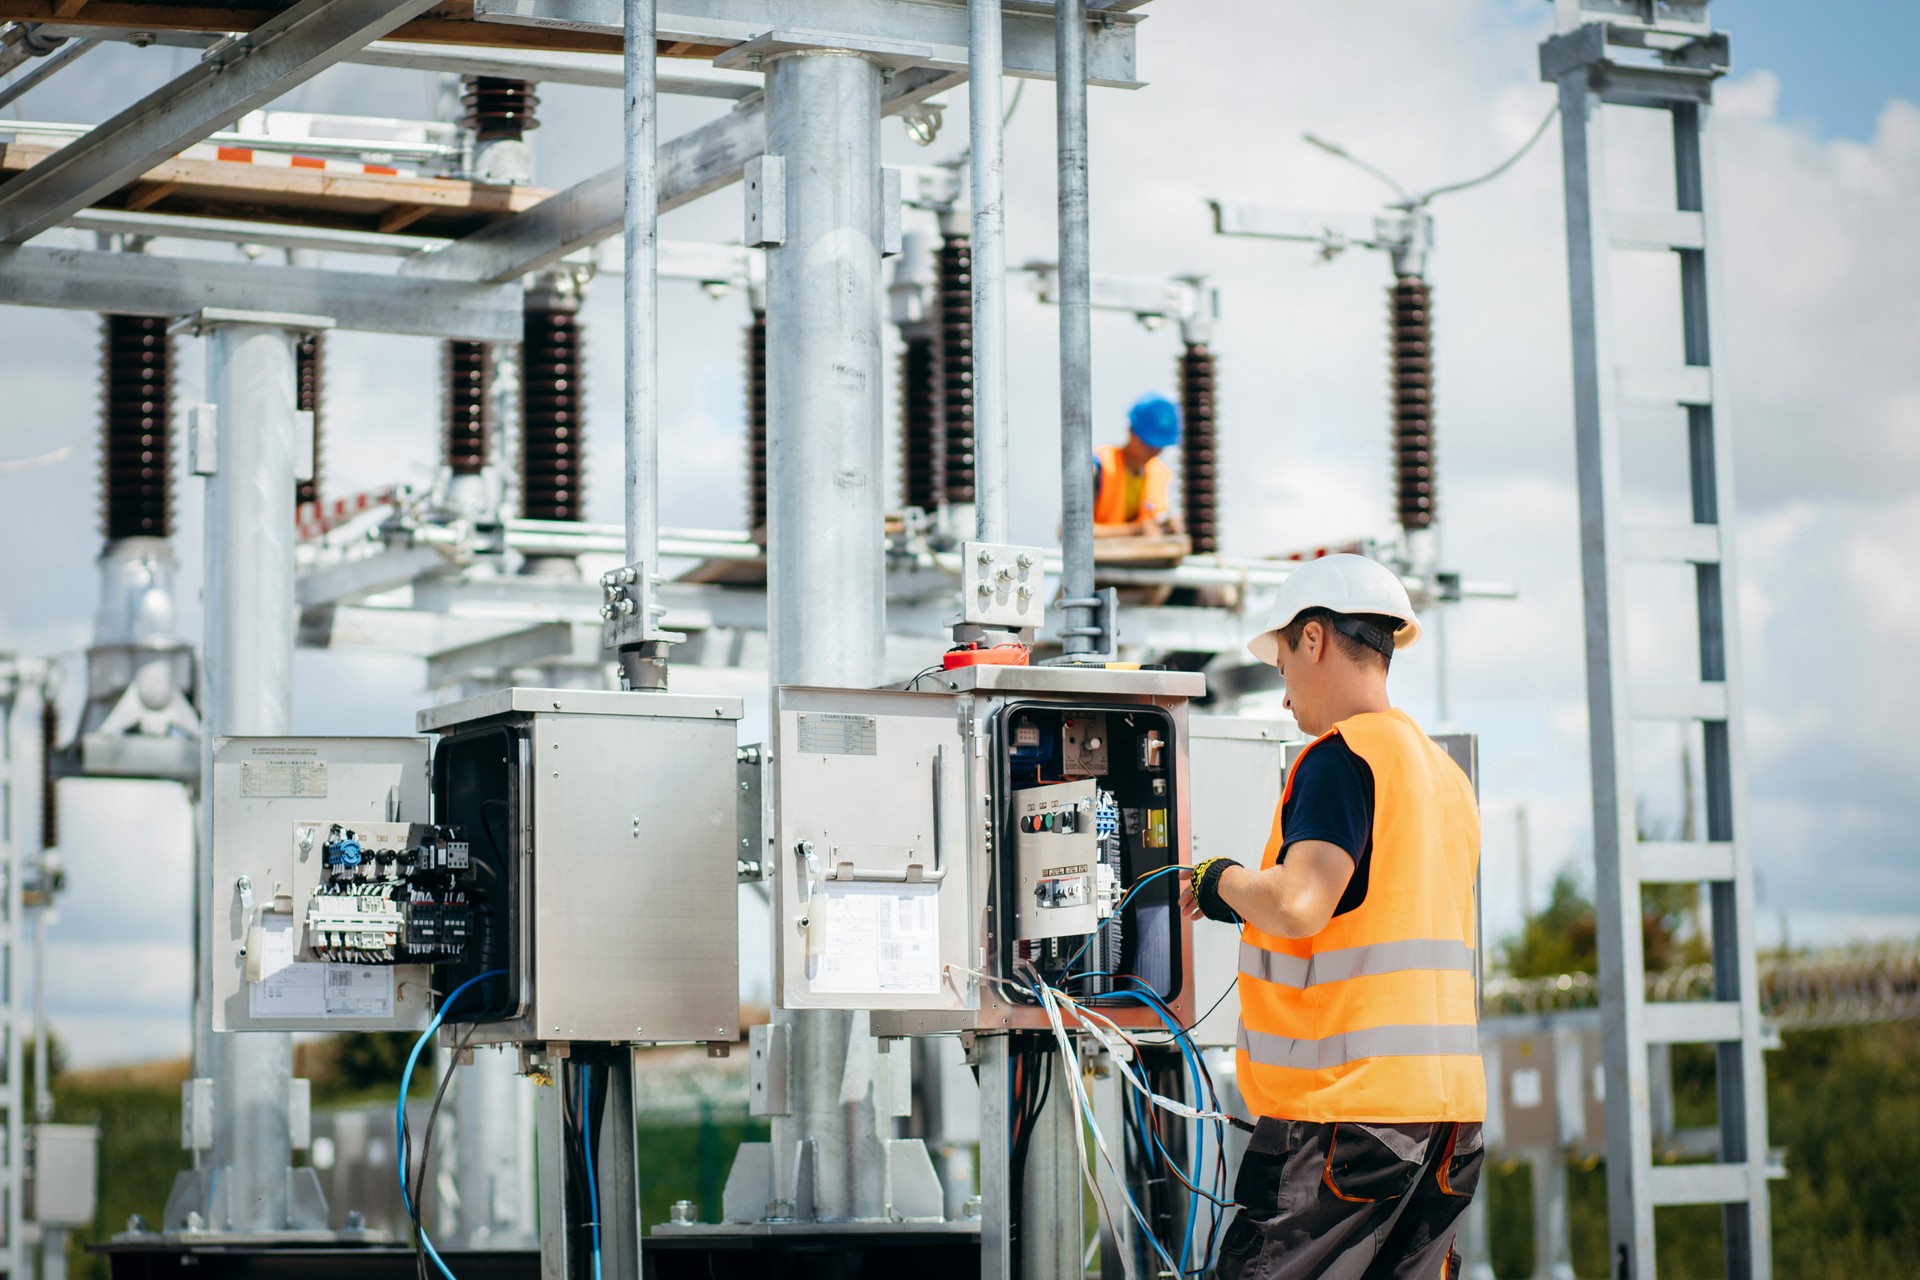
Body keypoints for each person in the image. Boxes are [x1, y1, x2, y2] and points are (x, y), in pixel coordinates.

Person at [1181, 553, 1484, 1280]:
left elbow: (1299, 900)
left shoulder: (1340, 756)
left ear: (1312, 640)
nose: (1283, 693)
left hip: (1348, 1117)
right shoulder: (1444, 776)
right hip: (1447, 1123)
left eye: (1283, 661)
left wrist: (1219, 881)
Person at [1094, 392, 1182, 537]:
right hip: (1098, 559)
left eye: (1159, 446)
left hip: (1143, 559)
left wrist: (1168, 527)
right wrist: (1133, 531)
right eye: (1147, 444)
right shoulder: (1099, 466)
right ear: (1130, 431)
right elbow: (1069, 532)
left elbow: (1158, 518)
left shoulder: (1160, 474)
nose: (1153, 452)